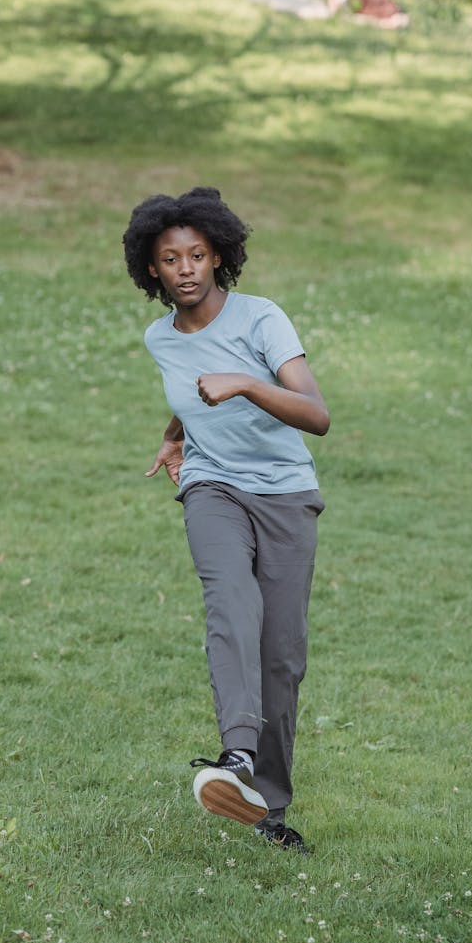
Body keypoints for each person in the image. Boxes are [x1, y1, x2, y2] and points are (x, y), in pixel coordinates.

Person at [123, 186, 330, 853]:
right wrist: (176, 432)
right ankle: (236, 756)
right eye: (170, 258)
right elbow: (190, 389)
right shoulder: (161, 338)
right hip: (214, 487)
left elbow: (316, 414)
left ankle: (265, 803)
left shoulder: (261, 319)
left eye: (197, 255)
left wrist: (244, 382)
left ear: (219, 258)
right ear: (151, 268)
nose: (184, 268)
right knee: (230, 600)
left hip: (286, 493)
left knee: (282, 656)